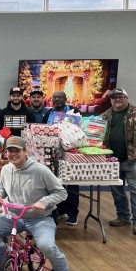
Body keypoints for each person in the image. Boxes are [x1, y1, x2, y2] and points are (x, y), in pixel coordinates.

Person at [0, 136, 70, 271]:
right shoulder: (6, 169)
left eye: (17, 151)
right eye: (10, 151)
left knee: (46, 245)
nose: (13, 154)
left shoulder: (40, 170)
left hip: (40, 218)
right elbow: (3, 188)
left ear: (25, 152)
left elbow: (61, 192)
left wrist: (45, 201)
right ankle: (1, 258)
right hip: (14, 216)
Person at [101, 88, 136, 236]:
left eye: (120, 96)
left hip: (133, 160)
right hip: (112, 161)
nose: (117, 99)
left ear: (126, 97)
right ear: (110, 99)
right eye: (114, 97)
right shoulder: (105, 116)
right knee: (116, 190)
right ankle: (123, 217)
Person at [42, 90, 81, 225]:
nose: (57, 99)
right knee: (53, 183)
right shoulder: (48, 113)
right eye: (55, 97)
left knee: (71, 183)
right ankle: (59, 211)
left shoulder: (74, 112)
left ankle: (73, 214)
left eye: (60, 97)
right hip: (52, 153)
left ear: (65, 99)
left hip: (70, 152)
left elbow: (80, 130)